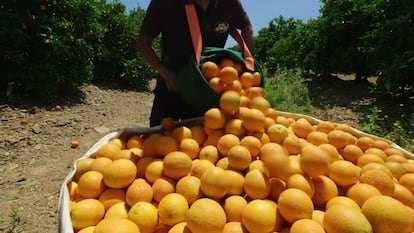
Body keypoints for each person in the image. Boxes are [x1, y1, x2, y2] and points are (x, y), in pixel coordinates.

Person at [136, 0, 253, 127]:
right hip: (172, 85)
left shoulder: (229, 3)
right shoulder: (164, 3)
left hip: (207, 89)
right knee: (159, 140)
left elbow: (247, 28)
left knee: (203, 142)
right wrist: (165, 73)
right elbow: (143, 43)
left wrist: (244, 64)